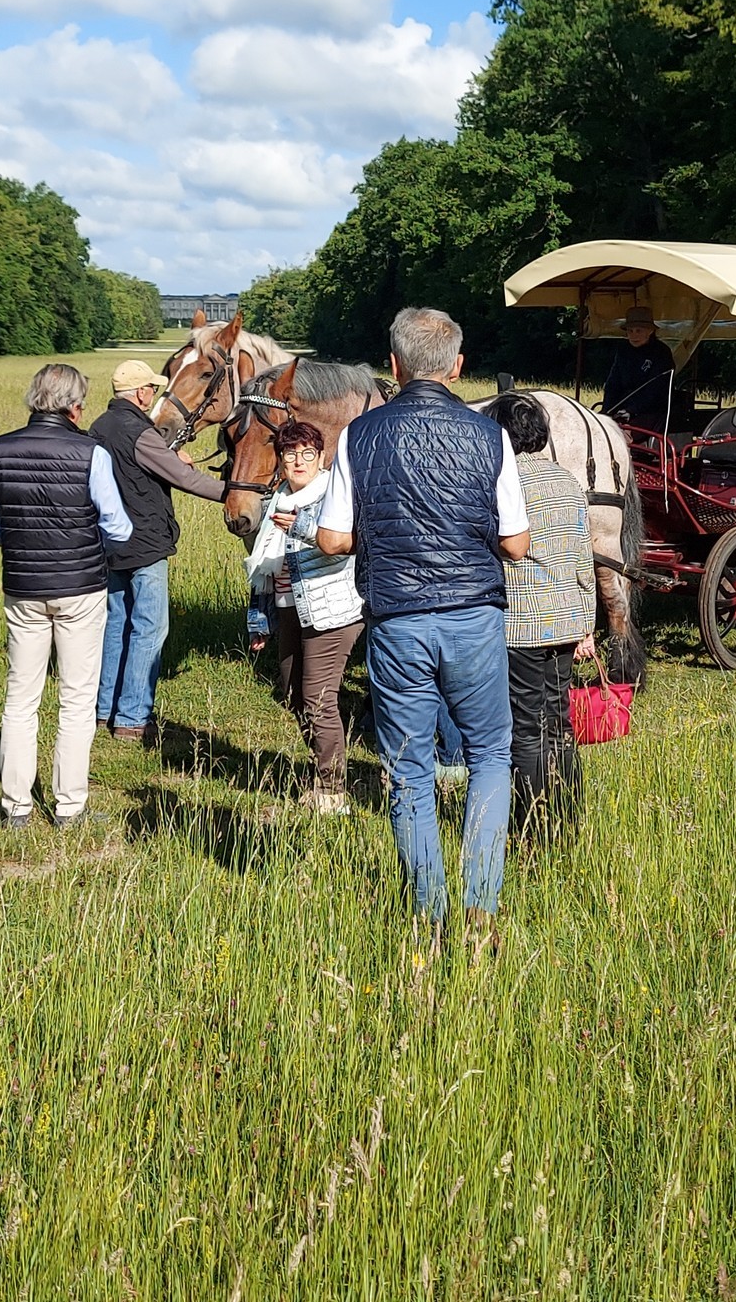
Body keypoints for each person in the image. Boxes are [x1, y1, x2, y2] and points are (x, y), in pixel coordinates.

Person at [314, 308, 530, 946]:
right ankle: (480, 908)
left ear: (395, 366)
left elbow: (330, 538)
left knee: (408, 769)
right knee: (491, 755)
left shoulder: (359, 436)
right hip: (474, 617)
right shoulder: (490, 437)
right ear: (459, 366)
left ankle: (429, 915)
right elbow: (516, 544)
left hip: (397, 621)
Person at [0, 363, 135, 830]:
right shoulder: (91, 452)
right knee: (76, 696)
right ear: (73, 405)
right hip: (82, 587)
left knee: (20, 696)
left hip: (23, 588)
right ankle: (69, 805)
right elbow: (118, 526)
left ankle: (15, 805)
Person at [88, 358, 227, 745]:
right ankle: (133, 717)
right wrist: (233, 493)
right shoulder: (140, 431)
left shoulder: (99, 426)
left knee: (117, 625)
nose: (154, 394)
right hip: (145, 542)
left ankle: (103, 711)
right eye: (151, 388)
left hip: (108, 541)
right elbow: (183, 477)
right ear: (140, 393)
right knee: (150, 628)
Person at [491, 394, 597, 833]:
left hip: (521, 623)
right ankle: (568, 816)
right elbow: (583, 558)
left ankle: (531, 825)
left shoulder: (501, 484)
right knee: (559, 721)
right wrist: (587, 624)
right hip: (568, 619)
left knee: (525, 727)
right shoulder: (568, 482)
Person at [245, 420, 360, 815]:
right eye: (290, 453)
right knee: (294, 694)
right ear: (279, 459)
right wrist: (260, 619)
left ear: (321, 457)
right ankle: (322, 771)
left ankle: (331, 789)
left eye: (307, 453)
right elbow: (265, 565)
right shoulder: (278, 496)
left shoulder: (335, 492)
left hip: (333, 609)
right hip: (290, 608)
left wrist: (305, 527)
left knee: (318, 699)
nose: (298, 461)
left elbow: (350, 545)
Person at [599, 307, 679, 434]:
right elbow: (613, 383)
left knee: (623, 433)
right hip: (622, 407)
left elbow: (656, 389)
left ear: (650, 331)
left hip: (652, 411)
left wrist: (633, 410)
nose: (633, 335)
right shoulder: (623, 350)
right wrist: (606, 410)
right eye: (630, 331)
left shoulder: (661, 352)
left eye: (638, 331)